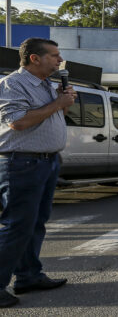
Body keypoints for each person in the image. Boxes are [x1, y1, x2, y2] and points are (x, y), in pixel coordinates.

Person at [0, 38, 76, 308]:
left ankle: (28, 276)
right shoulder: (13, 84)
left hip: (47, 162)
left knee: (35, 223)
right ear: (35, 58)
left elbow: (55, 115)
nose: (59, 60)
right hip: (22, 163)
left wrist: (63, 100)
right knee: (17, 224)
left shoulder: (47, 85)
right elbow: (18, 121)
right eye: (54, 56)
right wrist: (57, 104)